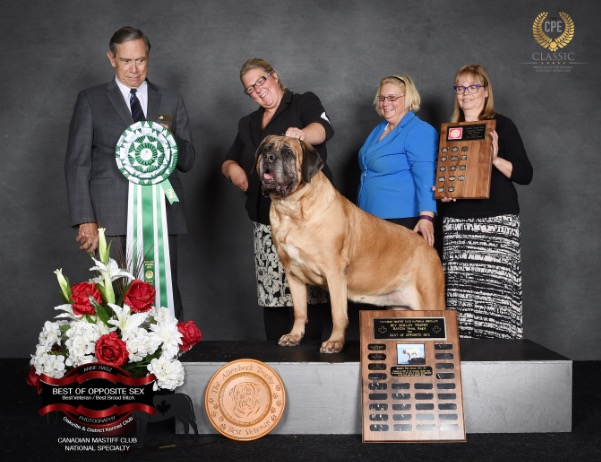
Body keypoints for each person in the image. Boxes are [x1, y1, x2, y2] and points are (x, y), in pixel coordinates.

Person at [64, 26, 196, 320]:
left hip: (162, 213)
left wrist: (168, 140)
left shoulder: (171, 99)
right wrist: (85, 218)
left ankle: (168, 348)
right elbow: (77, 162)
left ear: (148, 57)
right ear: (112, 58)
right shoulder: (90, 99)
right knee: (117, 298)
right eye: (126, 61)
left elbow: (188, 160)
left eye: (141, 60)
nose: (134, 69)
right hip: (110, 215)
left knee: (165, 293)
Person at [222, 58, 334, 341]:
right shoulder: (248, 123)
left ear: (275, 76)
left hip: (305, 218)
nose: (258, 90)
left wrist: (302, 134)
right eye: (250, 88)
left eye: (260, 81)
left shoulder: (302, 102)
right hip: (266, 220)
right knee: (273, 296)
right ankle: (276, 354)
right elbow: (228, 159)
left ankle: (312, 350)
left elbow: (323, 129)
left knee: (310, 291)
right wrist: (233, 170)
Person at [440, 64, 533, 339]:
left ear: (485, 91)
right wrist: (443, 192)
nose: (466, 93)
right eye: (460, 87)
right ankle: (465, 353)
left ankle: (501, 353)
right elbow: (447, 177)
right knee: (460, 297)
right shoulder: (450, 131)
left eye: (473, 87)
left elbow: (525, 174)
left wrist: (493, 158)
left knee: (496, 296)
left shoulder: (502, 126)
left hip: (496, 223)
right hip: (457, 225)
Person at [357, 74, 438, 246]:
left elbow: (426, 176)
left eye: (392, 98)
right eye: (382, 98)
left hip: (401, 219)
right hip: (370, 217)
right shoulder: (380, 129)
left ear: (408, 100)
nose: (385, 103)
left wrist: (426, 217)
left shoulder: (419, 130)